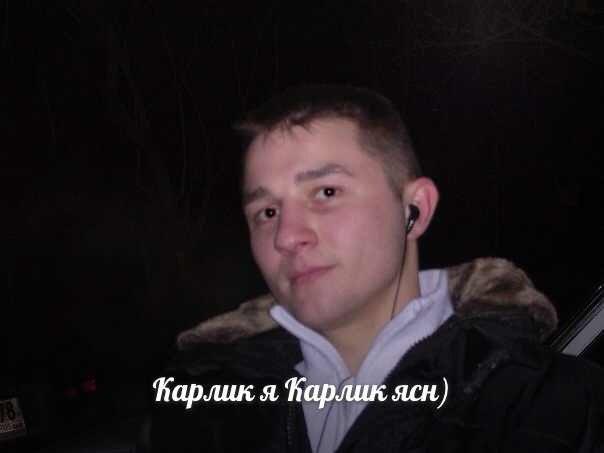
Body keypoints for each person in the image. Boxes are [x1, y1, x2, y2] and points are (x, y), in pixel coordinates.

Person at [149, 85, 604, 452]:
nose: (286, 236)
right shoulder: (199, 409)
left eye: (326, 192)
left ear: (414, 209)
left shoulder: (557, 410)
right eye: (266, 212)